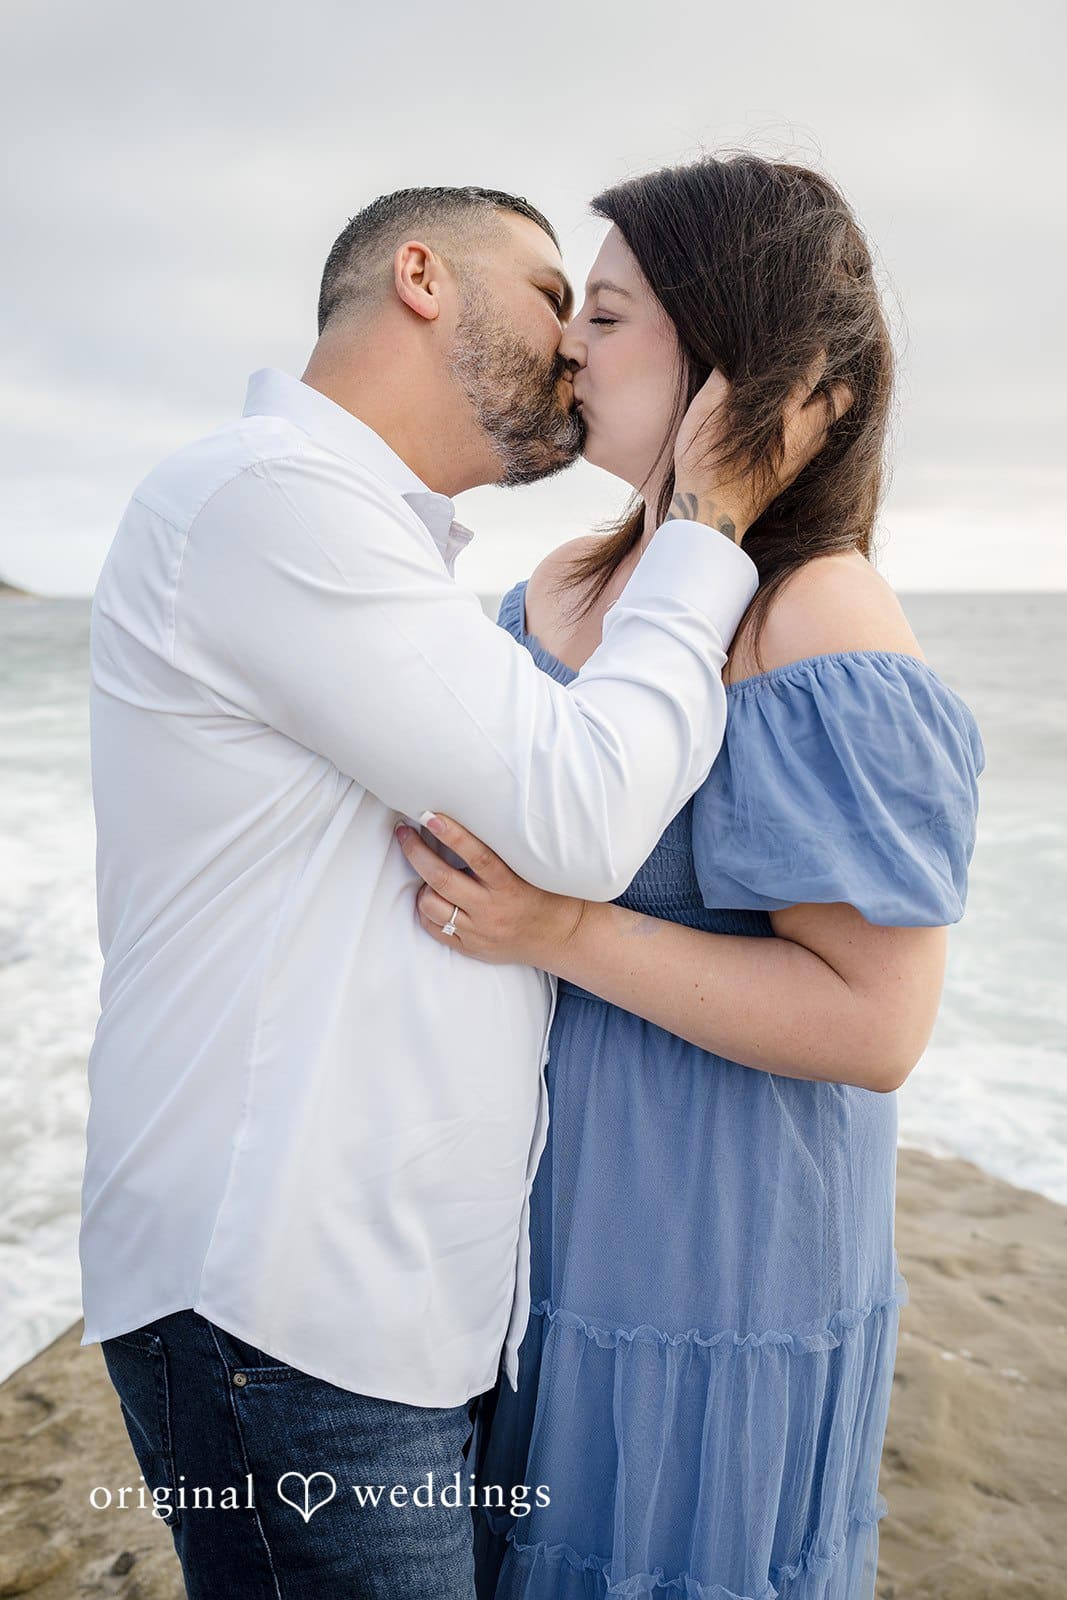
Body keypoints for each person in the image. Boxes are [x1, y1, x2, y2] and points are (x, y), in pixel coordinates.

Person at [82, 184, 839, 1599]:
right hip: (283, 1310)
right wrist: (715, 520)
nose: (575, 345)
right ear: (421, 276)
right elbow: (581, 813)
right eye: (556, 293)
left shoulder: (372, 543)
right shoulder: (270, 501)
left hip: (367, 1312)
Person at [393, 157, 986, 1600]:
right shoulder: (555, 588)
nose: (567, 347)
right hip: (528, 1218)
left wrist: (562, 930)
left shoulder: (817, 613)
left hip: (711, 1255)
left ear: (732, 351)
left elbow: (874, 1027)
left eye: (605, 313)